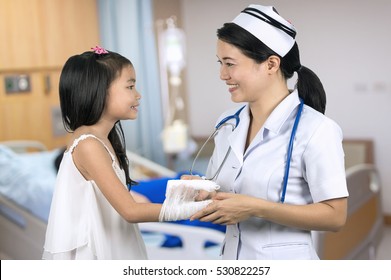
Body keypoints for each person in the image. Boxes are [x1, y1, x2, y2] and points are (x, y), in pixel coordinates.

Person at [185, 4, 349, 260]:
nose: (222, 75)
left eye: (230, 63)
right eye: (220, 63)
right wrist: (204, 192)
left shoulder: (316, 129)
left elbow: (335, 216)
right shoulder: (227, 123)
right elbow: (225, 192)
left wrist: (256, 208)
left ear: (271, 64)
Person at [42, 46, 196, 260]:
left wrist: (185, 194)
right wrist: (193, 209)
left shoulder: (103, 139)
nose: (138, 94)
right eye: (130, 86)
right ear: (99, 90)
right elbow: (130, 211)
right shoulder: (88, 145)